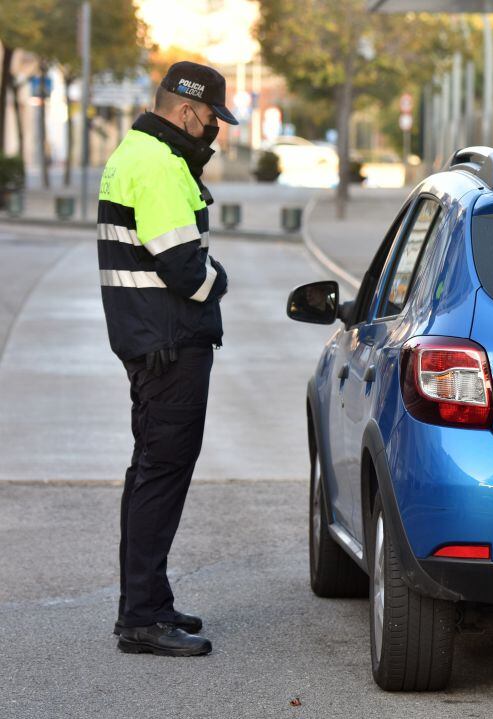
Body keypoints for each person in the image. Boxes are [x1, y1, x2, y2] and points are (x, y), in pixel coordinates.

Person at [97, 61, 237, 657]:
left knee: (151, 471)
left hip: (155, 343)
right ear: (185, 110)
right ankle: (141, 618)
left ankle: (149, 601)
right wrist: (219, 280)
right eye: (210, 117)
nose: (214, 130)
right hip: (169, 347)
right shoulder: (156, 165)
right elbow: (184, 267)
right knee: (160, 474)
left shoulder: (140, 154)